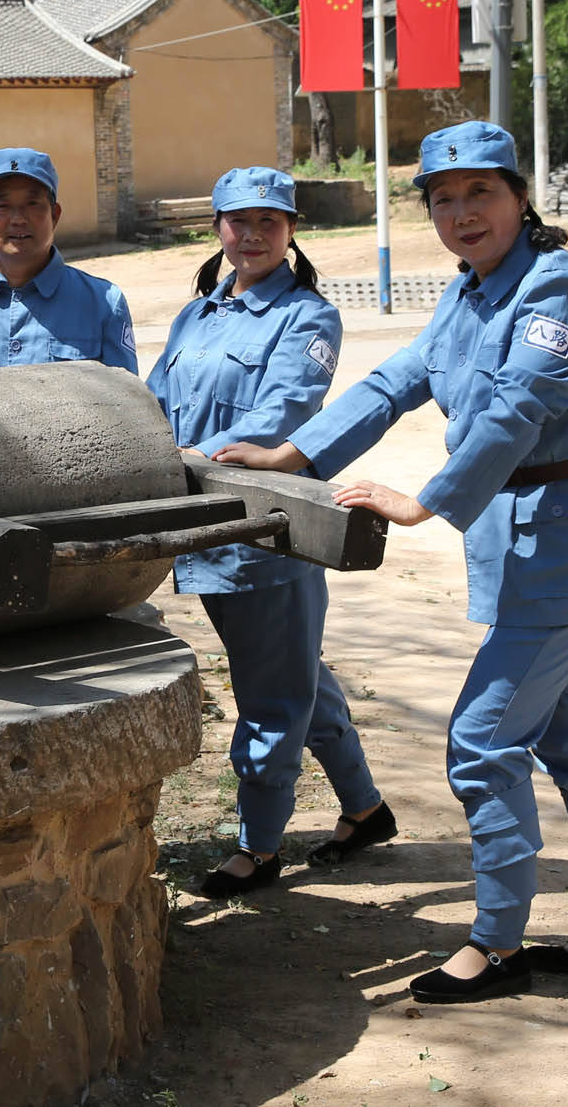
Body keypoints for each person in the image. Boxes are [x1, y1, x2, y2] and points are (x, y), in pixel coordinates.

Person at [215, 121, 568, 1004]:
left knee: (483, 745)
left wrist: (424, 502)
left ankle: (498, 947)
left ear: (520, 197)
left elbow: (514, 413)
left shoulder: (556, 284)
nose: (461, 213)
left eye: (479, 193)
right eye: (443, 199)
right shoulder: (470, 293)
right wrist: (293, 456)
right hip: (527, 537)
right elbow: (393, 383)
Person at [146, 167, 395, 898]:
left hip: (263, 529)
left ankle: (258, 848)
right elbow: (156, 397)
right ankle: (365, 808)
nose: (252, 236)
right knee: (294, 673)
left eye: (269, 222)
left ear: (291, 229)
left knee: (272, 695)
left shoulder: (309, 316)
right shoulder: (199, 315)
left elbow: (284, 410)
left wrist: (196, 457)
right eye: (237, 221)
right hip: (201, 527)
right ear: (216, 227)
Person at [0, 146, 139, 375]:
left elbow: (126, 403)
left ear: (55, 215)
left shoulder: (104, 303)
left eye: (32, 204)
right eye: (3, 206)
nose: (19, 219)